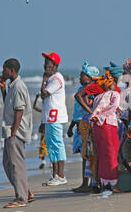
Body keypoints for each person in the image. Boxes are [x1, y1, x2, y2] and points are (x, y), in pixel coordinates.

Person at [0, 59, 34, 208]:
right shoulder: (12, 86)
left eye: (5, 69)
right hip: (10, 130)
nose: (2, 72)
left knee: (16, 164)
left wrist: (14, 131)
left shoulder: (19, 86)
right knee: (7, 163)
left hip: (15, 131)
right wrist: (2, 88)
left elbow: (20, 110)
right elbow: (8, 103)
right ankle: (26, 192)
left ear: (12, 70)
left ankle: (21, 198)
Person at [69, 61, 99, 193]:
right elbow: (76, 113)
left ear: (90, 77)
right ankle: (86, 182)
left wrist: (90, 110)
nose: (80, 77)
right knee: (84, 154)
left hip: (86, 125)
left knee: (87, 154)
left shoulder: (90, 90)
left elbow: (90, 104)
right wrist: (71, 127)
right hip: (79, 124)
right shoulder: (81, 90)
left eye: (83, 75)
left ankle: (87, 183)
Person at [89, 72, 121, 194]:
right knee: (112, 152)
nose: (115, 84)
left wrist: (97, 117)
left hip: (97, 127)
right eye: (113, 82)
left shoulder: (98, 97)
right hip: (107, 124)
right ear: (108, 85)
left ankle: (104, 182)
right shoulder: (114, 94)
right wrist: (101, 117)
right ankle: (113, 183)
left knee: (102, 154)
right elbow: (114, 107)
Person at [41, 52, 68, 186]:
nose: (46, 66)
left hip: (55, 116)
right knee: (51, 146)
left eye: (49, 64)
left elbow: (44, 94)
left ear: (55, 65)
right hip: (49, 116)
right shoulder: (52, 78)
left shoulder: (56, 78)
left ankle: (61, 175)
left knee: (57, 144)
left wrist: (44, 80)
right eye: (45, 63)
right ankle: (55, 175)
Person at [33, 93, 48, 170]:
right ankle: (45, 161)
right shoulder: (45, 110)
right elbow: (34, 107)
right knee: (44, 145)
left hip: (46, 128)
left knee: (43, 144)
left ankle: (45, 161)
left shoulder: (46, 110)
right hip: (44, 129)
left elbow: (34, 107)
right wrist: (36, 98)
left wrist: (37, 98)